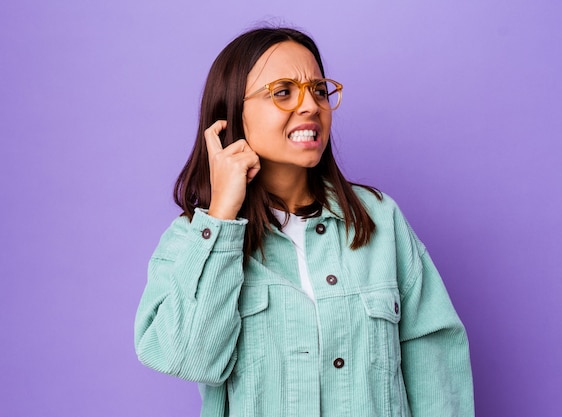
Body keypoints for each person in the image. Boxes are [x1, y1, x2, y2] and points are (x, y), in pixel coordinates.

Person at [134, 26, 474, 417]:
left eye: (318, 90)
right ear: (230, 115)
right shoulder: (191, 240)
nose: (311, 106)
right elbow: (186, 358)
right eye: (283, 92)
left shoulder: (379, 219)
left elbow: (436, 362)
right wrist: (223, 216)